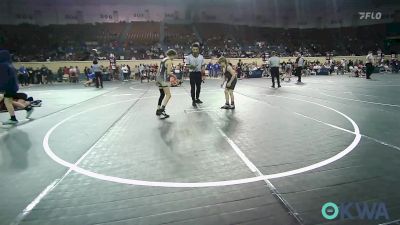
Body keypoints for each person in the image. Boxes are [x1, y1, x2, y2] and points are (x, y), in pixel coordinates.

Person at [0, 50, 33, 124]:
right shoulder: (10, 64)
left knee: (7, 101)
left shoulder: (2, 65)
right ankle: (27, 109)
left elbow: (4, 78)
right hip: (13, 86)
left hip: (8, 86)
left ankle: (14, 118)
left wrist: (2, 88)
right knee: (9, 101)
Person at [156, 49, 177, 119]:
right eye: (174, 56)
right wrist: (174, 76)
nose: (174, 58)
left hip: (159, 78)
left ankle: (158, 109)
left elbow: (158, 70)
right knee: (168, 95)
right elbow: (168, 73)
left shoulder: (163, 60)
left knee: (162, 94)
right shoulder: (169, 61)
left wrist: (157, 79)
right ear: (172, 55)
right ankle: (162, 110)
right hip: (164, 80)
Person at [185, 43, 205, 107]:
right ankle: (193, 100)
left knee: (198, 87)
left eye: (196, 49)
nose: (195, 51)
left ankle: (197, 98)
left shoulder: (201, 57)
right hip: (192, 73)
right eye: (194, 49)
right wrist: (192, 66)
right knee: (193, 88)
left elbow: (203, 66)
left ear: (198, 50)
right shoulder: (188, 57)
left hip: (199, 74)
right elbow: (187, 66)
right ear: (192, 49)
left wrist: (203, 74)